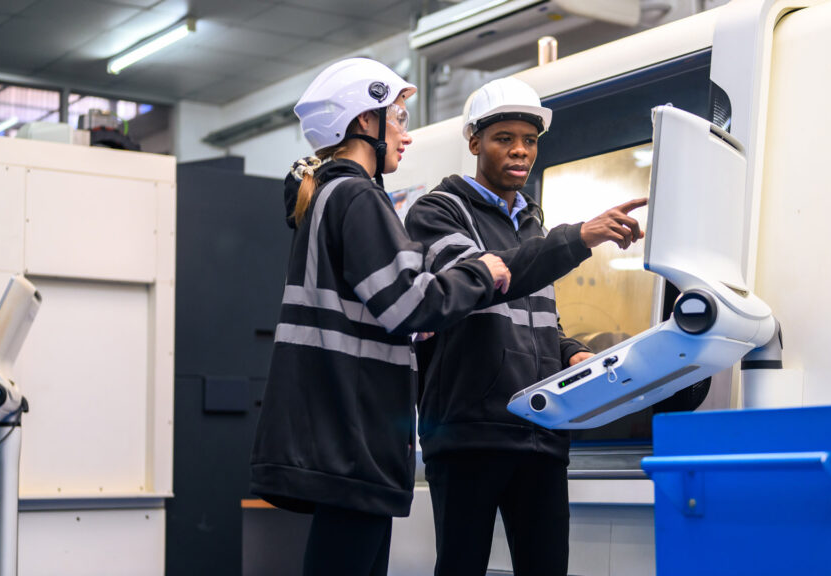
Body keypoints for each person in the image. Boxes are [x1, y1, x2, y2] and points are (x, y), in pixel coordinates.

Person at [249, 58, 512, 576]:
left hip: (334, 428)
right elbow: (406, 303)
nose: (406, 136)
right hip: (353, 430)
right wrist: (482, 272)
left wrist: (414, 324)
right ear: (363, 122)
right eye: (398, 119)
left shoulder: (324, 195)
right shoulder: (357, 195)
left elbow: (376, 309)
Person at [404, 77, 647, 576]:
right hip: (469, 432)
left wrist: (572, 355)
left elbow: (537, 323)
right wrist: (579, 236)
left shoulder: (531, 223)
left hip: (538, 434)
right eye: (504, 138)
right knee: (461, 566)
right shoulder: (438, 211)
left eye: (530, 140)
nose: (520, 151)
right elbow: (485, 282)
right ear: (474, 142)